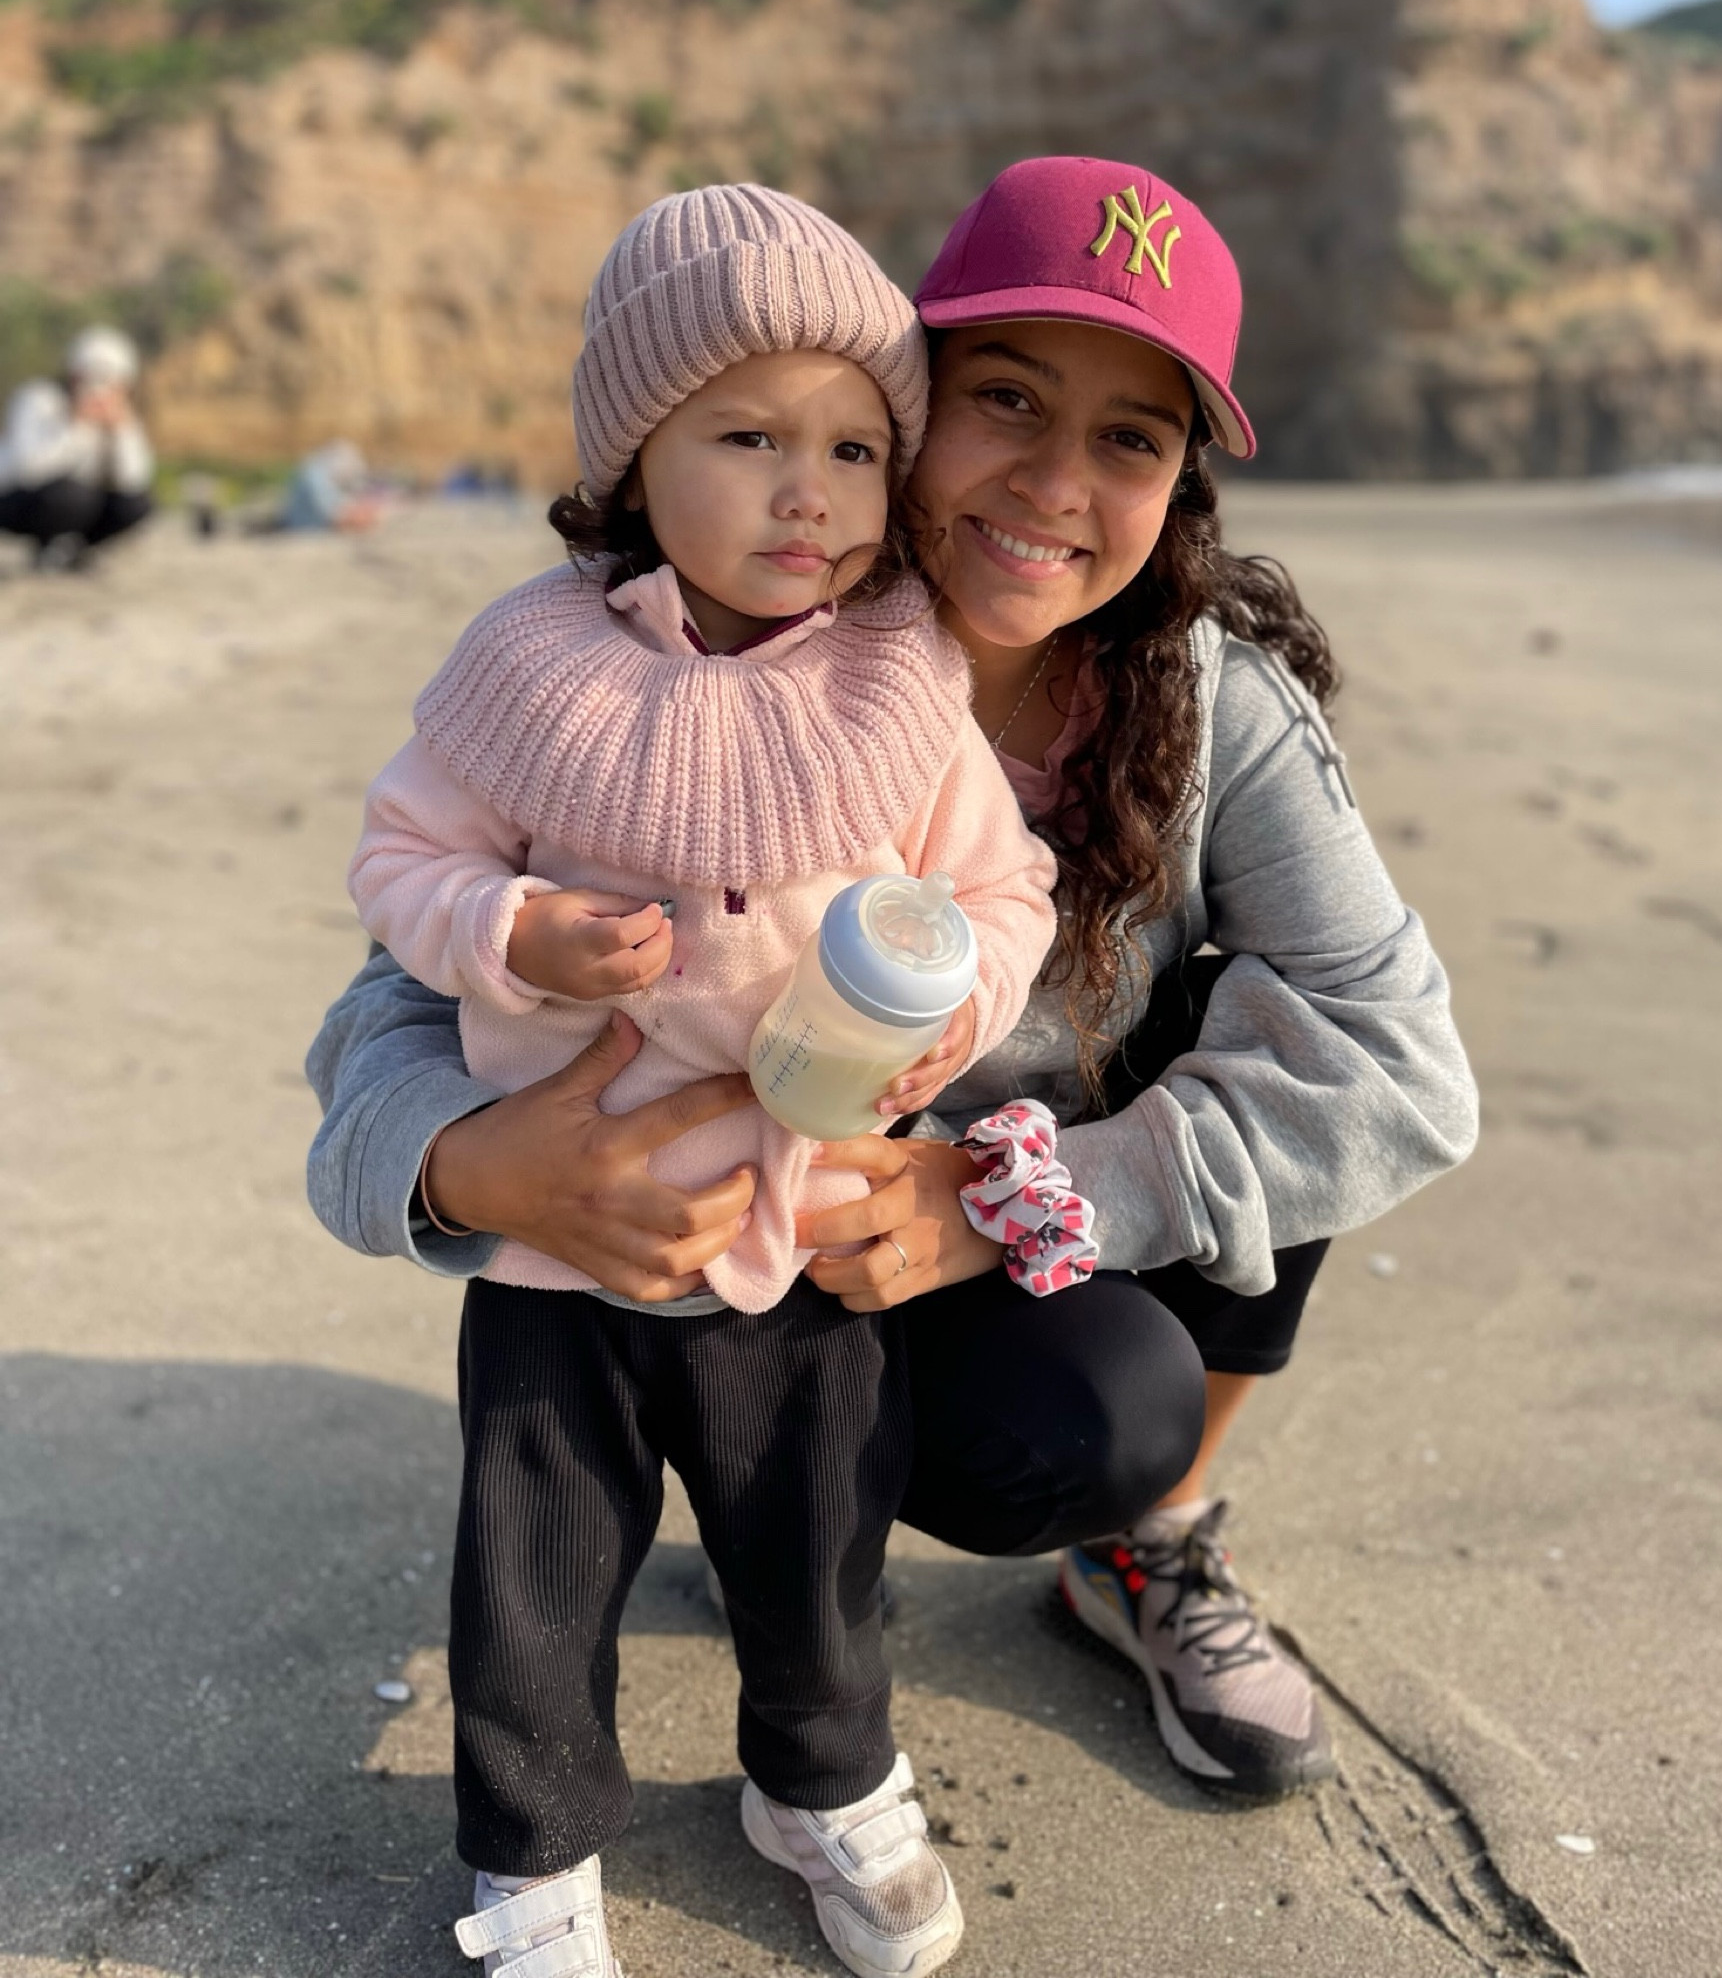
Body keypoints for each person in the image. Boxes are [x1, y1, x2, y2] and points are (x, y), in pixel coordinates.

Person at [307, 157, 1478, 1936]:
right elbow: (394, 983)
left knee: (1250, 1082)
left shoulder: (1212, 708)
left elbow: (1400, 1065)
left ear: (1180, 486)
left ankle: (1147, 1547)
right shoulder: (658, 652)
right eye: (1006, 400)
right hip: (704, 1234)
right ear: (910, 399)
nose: (1056, 485)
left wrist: (1014, 1199)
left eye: (1131, 440)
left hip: (991, 1247)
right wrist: (470, 1167)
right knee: (612, 1475)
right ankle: (701, 1579)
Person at [340, 184, 1059, 1978]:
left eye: (852, 449)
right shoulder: (530, 669)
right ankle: (530, 1846)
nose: (807, 492)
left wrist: (952, 1007)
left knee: (816, 1540)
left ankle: (820, 1779)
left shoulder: (903, 681)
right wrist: (512, 929)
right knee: (535, 1564)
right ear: (632, 460)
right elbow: (400, 862)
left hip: (799, 1218)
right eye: (746, 438)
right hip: (557, 1240)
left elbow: (1004, 891)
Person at [0, 324, 155, 568]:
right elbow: (27, 469)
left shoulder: (120, 417)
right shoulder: (38, 399)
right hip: (17, 498)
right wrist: (78, 427)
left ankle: (70, 551)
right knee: (72, 495)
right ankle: (49, 545)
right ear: (74, 375)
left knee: (135, 504)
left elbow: (134, 482)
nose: (99, 389)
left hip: (81, 505)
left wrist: (122, 432)